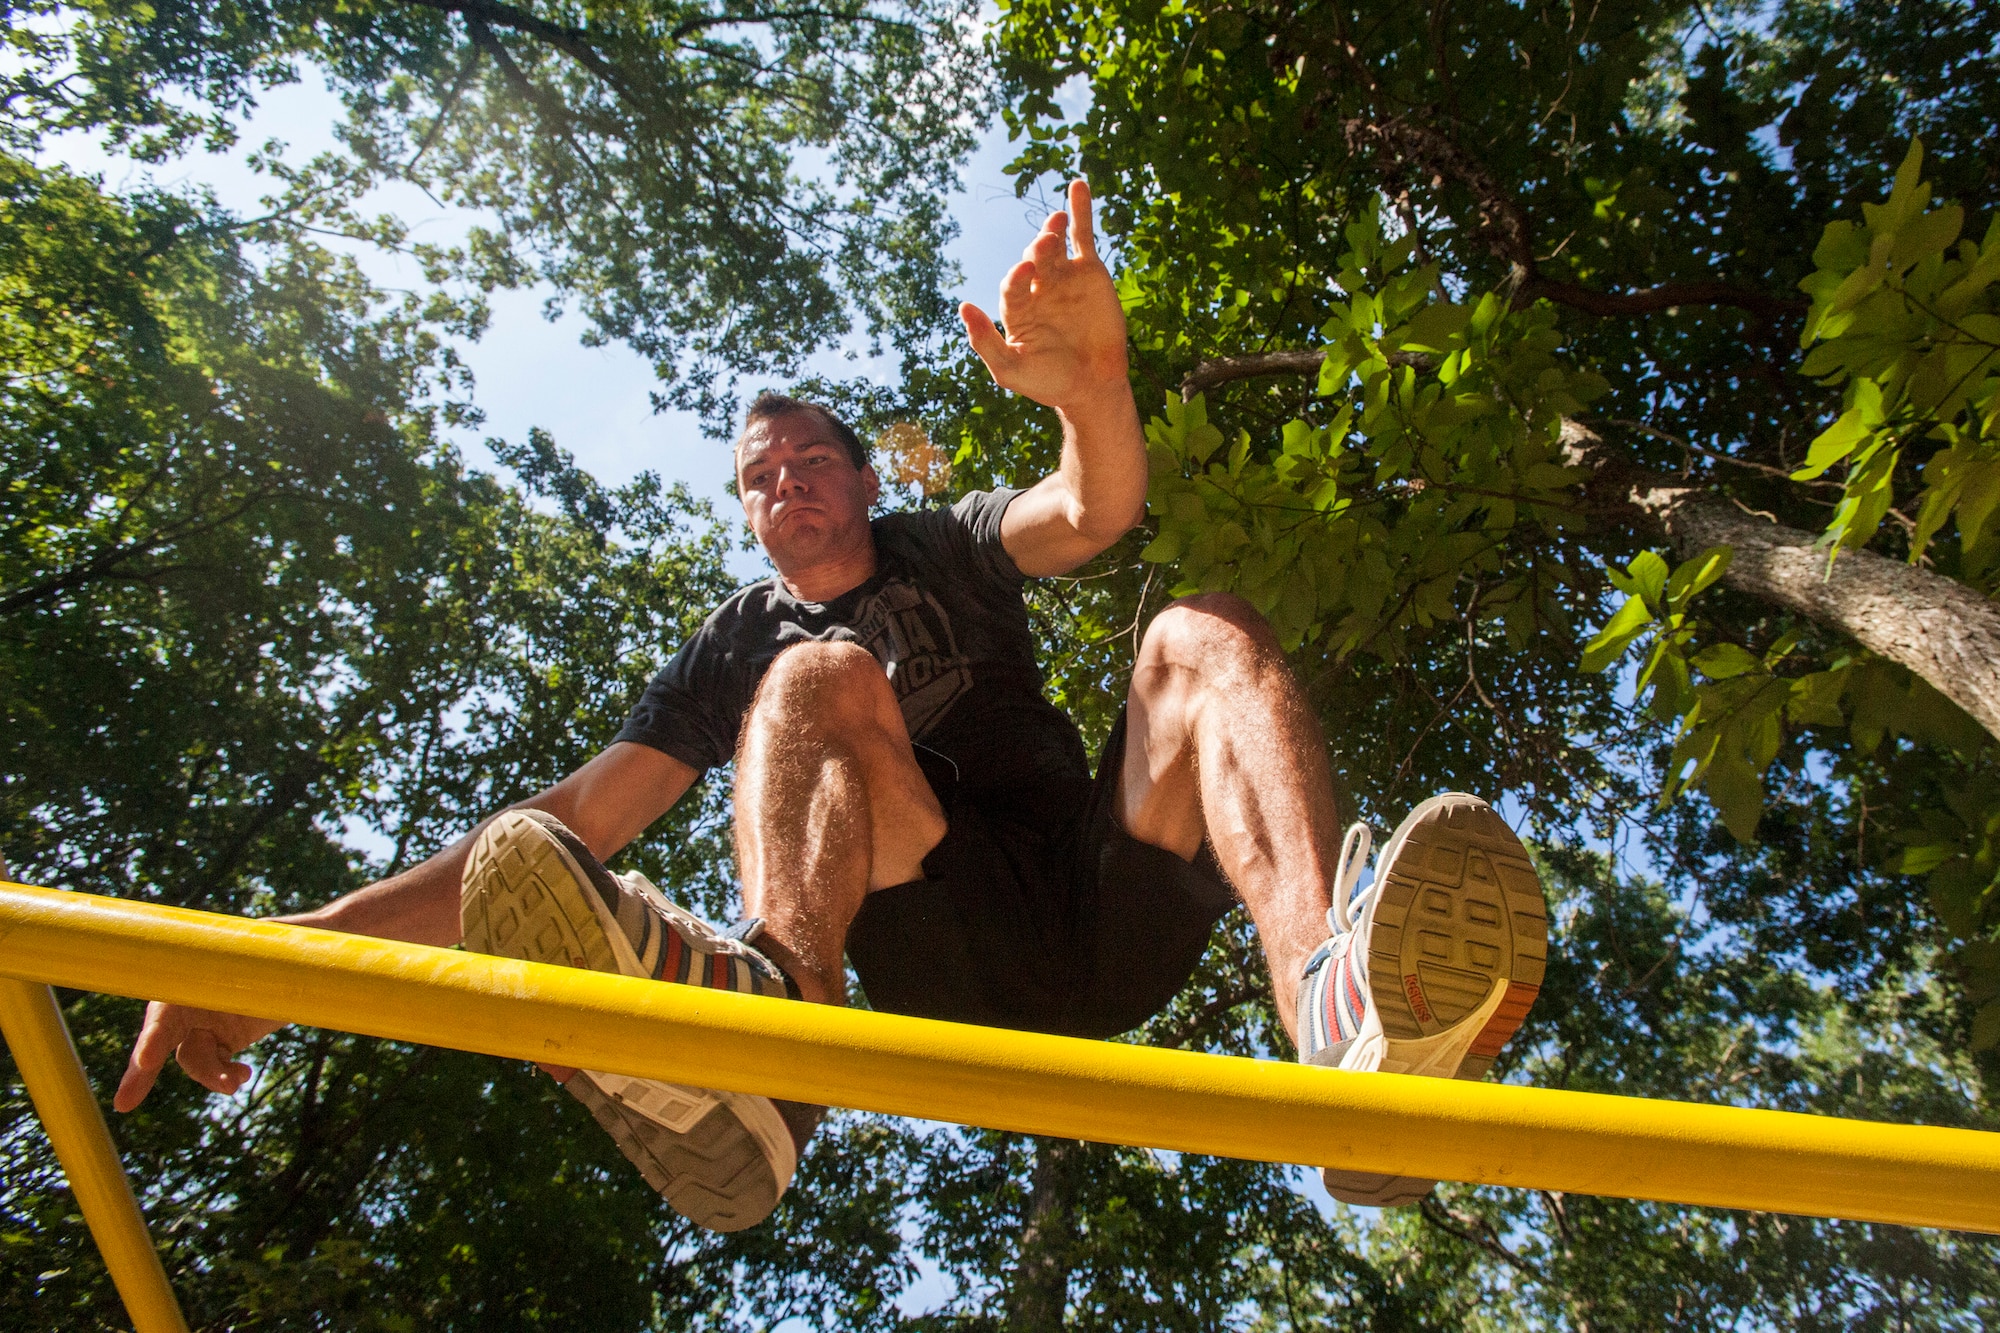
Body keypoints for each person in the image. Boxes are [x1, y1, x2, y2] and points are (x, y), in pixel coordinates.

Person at [114, 181, 1549, 1229]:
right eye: (758, 475)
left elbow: (1096, 506)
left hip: (1101, 893)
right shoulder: (738, 642)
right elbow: (559, 832)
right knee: (810, 677)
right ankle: (762, 1062)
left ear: (866, 481)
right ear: (749, 515)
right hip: (937, 933)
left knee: (1201, 629)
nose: (784, 479)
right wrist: (282, 953)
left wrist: (1093, 387)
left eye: (809, 457)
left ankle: (1344, 1021)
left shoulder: (948, 541)